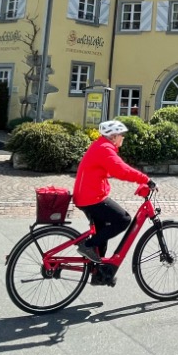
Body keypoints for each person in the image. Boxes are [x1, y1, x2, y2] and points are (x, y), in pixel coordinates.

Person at [73, 119, 150, 285]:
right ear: (113, 136)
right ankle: (87, 245)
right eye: (121, 135)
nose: (123, 138)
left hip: (88, 196)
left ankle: (100, 273)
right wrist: (145, 179)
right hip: (91, 198)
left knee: (102, 234)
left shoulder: (101, 146)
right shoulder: (105, 149)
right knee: (123, 220)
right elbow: (121, 170)